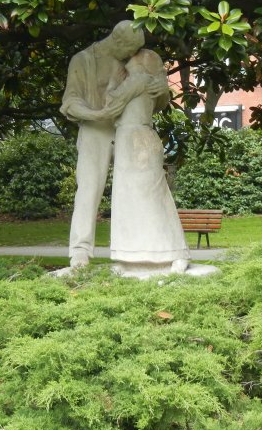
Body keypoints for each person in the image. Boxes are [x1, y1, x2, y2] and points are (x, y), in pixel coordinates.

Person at [60, 21, 167, 269]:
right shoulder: (83, 60)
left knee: (138, 188)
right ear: (116, 40)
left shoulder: (138, 58)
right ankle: (80, 252)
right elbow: (70, 102)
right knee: (89, 189)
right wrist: (96, 114)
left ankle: (138, 250)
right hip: (95, 130)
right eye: (130, 49)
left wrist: (162, 90)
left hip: (129, 130)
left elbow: (156, 102)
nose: (133, 54)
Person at [95, 49, 190, 273]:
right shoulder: (146, 82)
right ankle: (131, 256)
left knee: (150, 198)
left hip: (135, 140)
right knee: (131, 199)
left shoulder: (137, 80)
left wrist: (113, 83)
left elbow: (111, 105)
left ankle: (174, 252)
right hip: (133, 140)